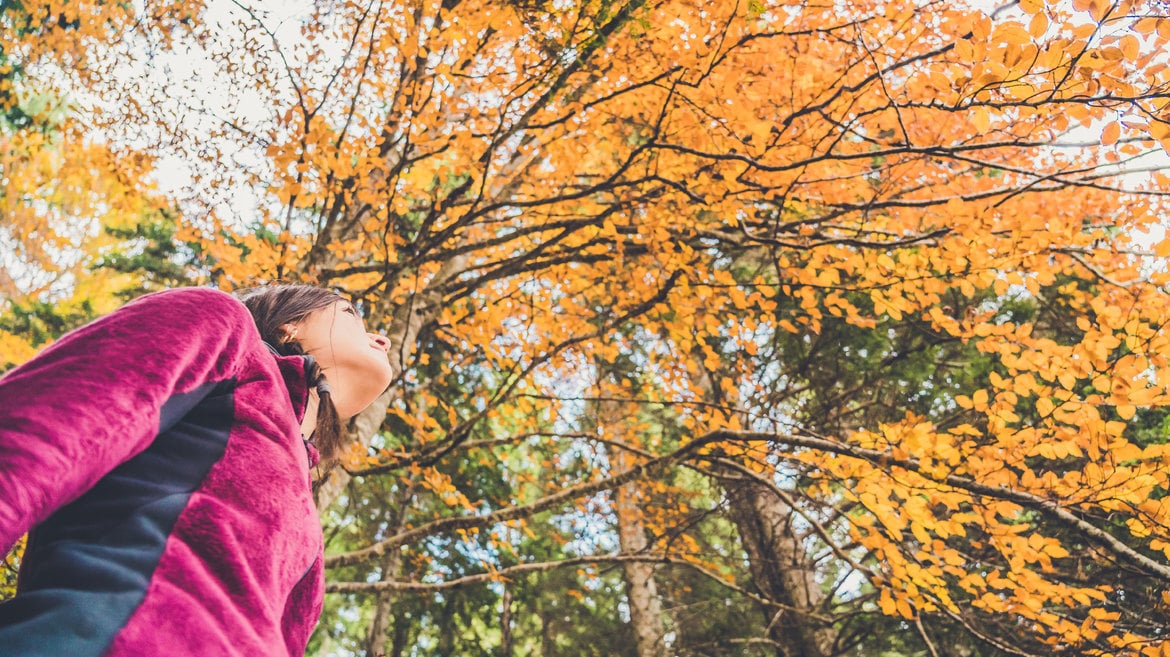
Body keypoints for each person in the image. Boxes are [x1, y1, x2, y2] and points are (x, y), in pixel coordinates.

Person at [0, 284, 394, 656]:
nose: (384, 340)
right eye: (351, 313)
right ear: (290, 325)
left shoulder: (304, 509)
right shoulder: (226, 329)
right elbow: (35, 436)